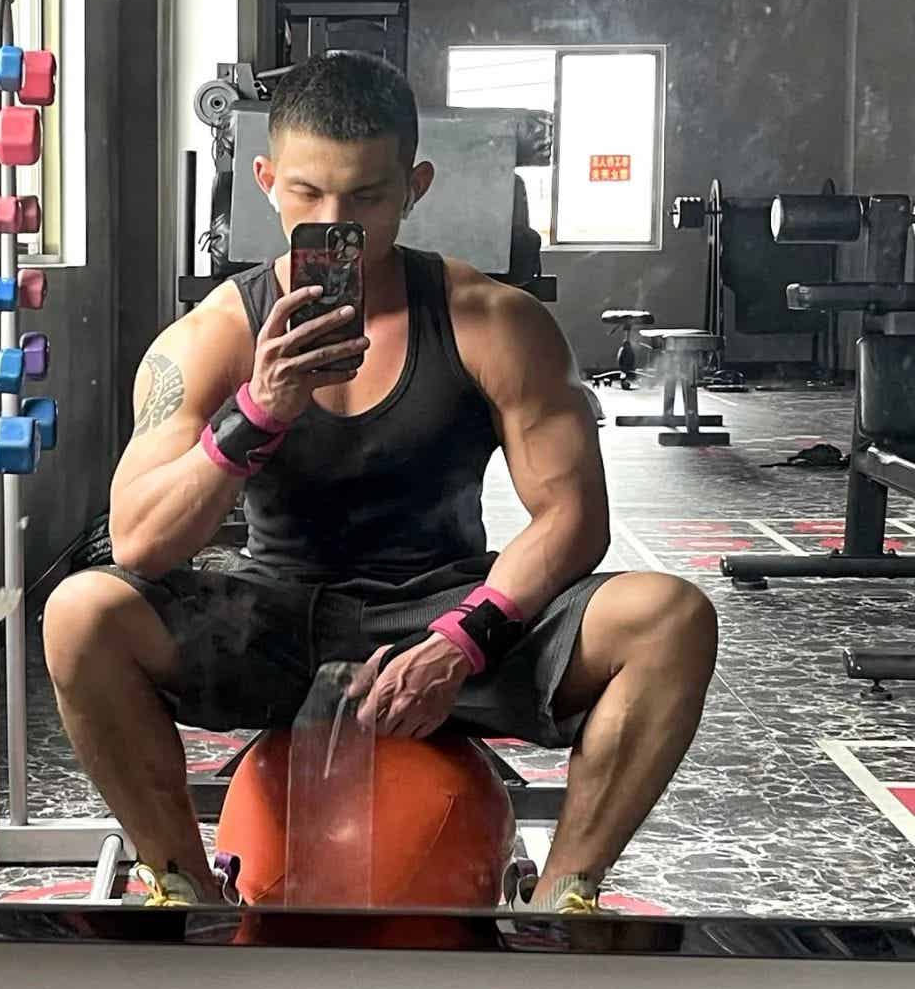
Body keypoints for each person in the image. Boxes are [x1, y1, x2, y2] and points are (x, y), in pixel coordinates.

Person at [42, 51, 717, 915]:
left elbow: (574, 517)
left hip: (451, 609)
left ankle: (562, 900)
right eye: (308, 193)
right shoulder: (211, 337)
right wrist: (259, 410)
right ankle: (183, 885)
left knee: (671, 617)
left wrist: (462, 639)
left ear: (414, 187)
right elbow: (138, 540)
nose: (336, 223)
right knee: (80, 613)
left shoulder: (493, 319)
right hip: (273, 620)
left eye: (366, 197)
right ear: (265, 183)